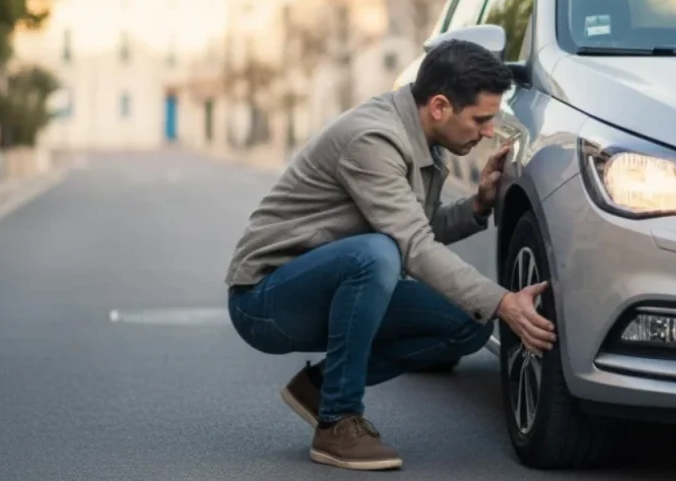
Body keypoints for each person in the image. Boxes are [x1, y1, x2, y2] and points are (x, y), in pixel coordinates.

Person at [224, 39, 556, 471]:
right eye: (480, 119)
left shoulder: (423, 137)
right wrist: (504, 301)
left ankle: (320, 389)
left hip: (330, 282)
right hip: (264, 299)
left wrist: (476, 207)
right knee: (376, 255)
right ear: (440, 106)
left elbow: (411, 227)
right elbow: (412, 245)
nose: (489, 131)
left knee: (468, 322)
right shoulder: (373, 139)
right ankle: (337, 420)